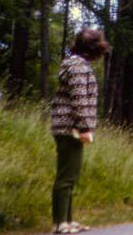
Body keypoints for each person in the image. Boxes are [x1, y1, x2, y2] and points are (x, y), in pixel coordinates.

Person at [50, 28, 109, 234]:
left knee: (71, 175)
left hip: (69, 127)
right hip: (70, 128)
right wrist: (84, 127)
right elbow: (79, 98)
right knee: (66, 176)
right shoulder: (78, 67)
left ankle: (68, 220)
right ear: (94, 47)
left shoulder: (77, 65)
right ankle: (60, 223)